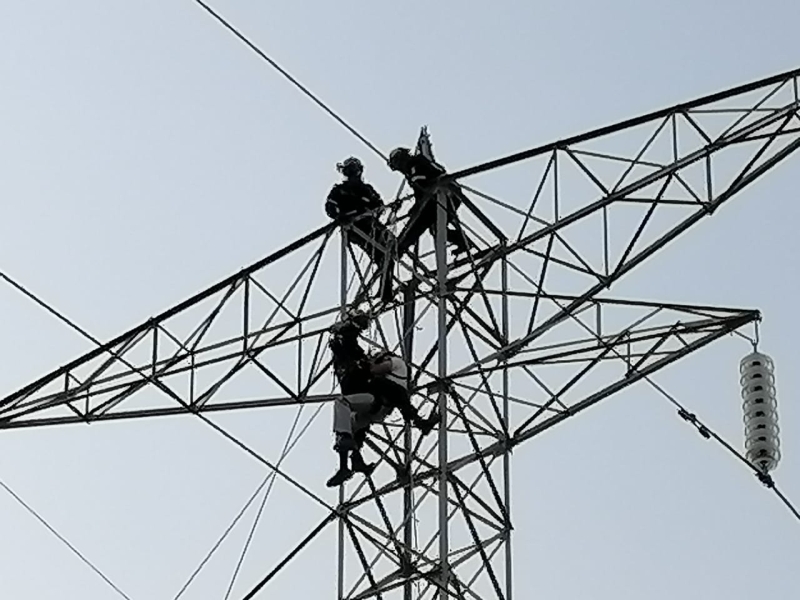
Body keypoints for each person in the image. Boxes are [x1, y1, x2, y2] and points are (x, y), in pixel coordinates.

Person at [326, 311, 439, 487]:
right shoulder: (392, 379)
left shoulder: (393, 367)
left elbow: (373, 371)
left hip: (377, 400)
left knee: (343, 405)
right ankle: (352, 462)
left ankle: (349, 459)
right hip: (377, 406)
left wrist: (362, 364)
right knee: (350, 424)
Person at [325, 157, 395, 303]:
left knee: (390, 249)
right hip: (355, 229)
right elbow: (330, 208)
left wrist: (372, 211)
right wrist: (340, 216)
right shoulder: (339, 190)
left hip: (371, 226)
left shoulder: (367, 190)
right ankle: (385, 292)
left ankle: (386, 291)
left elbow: (380, 206)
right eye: (349, 171)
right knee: (382, 255)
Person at [387, 147, 473, 260]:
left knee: (419, 221)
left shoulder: (415, 164)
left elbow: (421, 187)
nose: (401, 170)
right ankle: (463, 241)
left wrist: (416, 208)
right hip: (447, 195)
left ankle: (401, 247)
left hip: (442, 194)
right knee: (437, 229)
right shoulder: (417, 164)